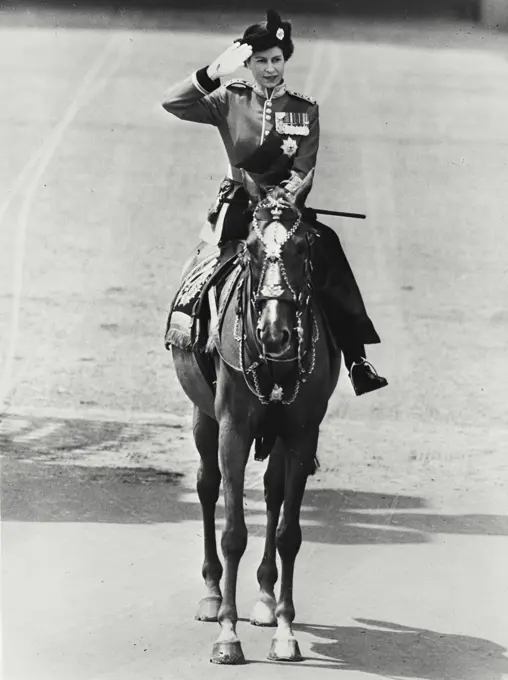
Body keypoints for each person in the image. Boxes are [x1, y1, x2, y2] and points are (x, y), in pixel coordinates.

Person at [162, 9, 388, 396]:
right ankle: (192, 340)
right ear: (247, 63)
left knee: (329, 253)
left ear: (286, 61)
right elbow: (173, 103)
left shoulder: (304, 109)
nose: (270, 69)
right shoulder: (228, 100)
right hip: (239, 209)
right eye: (261, 61)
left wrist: (281, 203)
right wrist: (212, 72)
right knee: (204, 269)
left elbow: (304, 167)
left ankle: (356, 358)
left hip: (285, 211)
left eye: (277, 60)